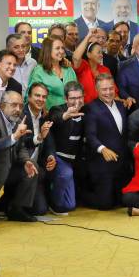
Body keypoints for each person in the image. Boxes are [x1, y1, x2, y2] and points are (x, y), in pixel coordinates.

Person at [0, 91, 39, 223]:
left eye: (20, 105)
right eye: (13, 105)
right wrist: (15, 136)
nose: (18, 109)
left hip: (11, 170)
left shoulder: (18, 121)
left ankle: (16, 209)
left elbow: (22, 147)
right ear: (2, 106)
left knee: (32, 166)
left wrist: (26, 161)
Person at [82, 74, 129, 210]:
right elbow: (90, 135)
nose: (108, 92)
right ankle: (79, 194)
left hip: (121, 164)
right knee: (105, 204)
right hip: (102, 163)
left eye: (110, 88)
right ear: (97, 90)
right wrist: (102, 149)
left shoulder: (121, 106)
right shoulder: (91, 108)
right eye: (104, 89)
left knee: (122, 202)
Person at [43, 81, 86, 214]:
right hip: (58, 158)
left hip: (76, 161)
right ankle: (52, 201)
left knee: (70, 205)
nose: (76, 102)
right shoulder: (57, 109)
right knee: (66, 174)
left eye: (79, 97)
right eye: (72, 98)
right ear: (65, 98)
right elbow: (54, 118)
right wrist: (65, 115)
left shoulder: (86, 111)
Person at [23, 83, 55, 215]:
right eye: (37, 95)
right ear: (29, 97)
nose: (41, 99)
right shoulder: (21, 115)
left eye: (44, 97)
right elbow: (21, 144)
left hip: (38, 168)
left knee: (41, 210)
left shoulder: (45, 117)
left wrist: (50, 156)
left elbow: (50, 143)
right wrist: (40, 136)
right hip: (22, 165)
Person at [28, 36, 77, 110]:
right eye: (57, 48)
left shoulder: (68, 69)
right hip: (50, 116)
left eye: (62, 48)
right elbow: (33, 97)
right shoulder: (39, 71)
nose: (61, 51)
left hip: (71, 113)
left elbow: (77, 90)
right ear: (48, 50)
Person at [72, 29, 116, 104]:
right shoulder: (83, 66)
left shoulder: (105, 70)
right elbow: (76, 58)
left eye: (102, 52)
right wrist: (88, 36)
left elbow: (113, 91)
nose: (101, 55)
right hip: (85, 108)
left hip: (103, 108)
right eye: (98, 52)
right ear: (89, 54)